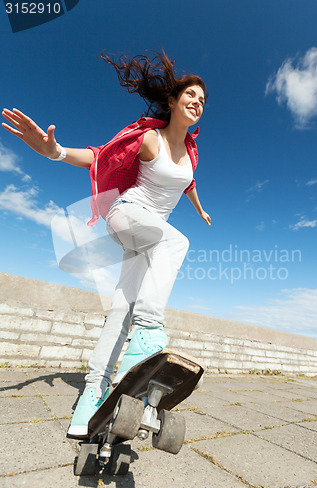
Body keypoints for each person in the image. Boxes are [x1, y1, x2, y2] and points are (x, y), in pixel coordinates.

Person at [2, 49, 211, 437]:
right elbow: (101, 156)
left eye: (202, 99)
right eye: (190, 95)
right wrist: (56, 151)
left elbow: (188, 183)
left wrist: (200, 208)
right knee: (177, 243)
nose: (197, 102)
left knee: (120, 310)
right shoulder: (150, 137)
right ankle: (148, 332)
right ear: (172, 100)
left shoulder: (192, 153)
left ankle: (91, 397)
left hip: (148, 237)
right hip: (128, 215)